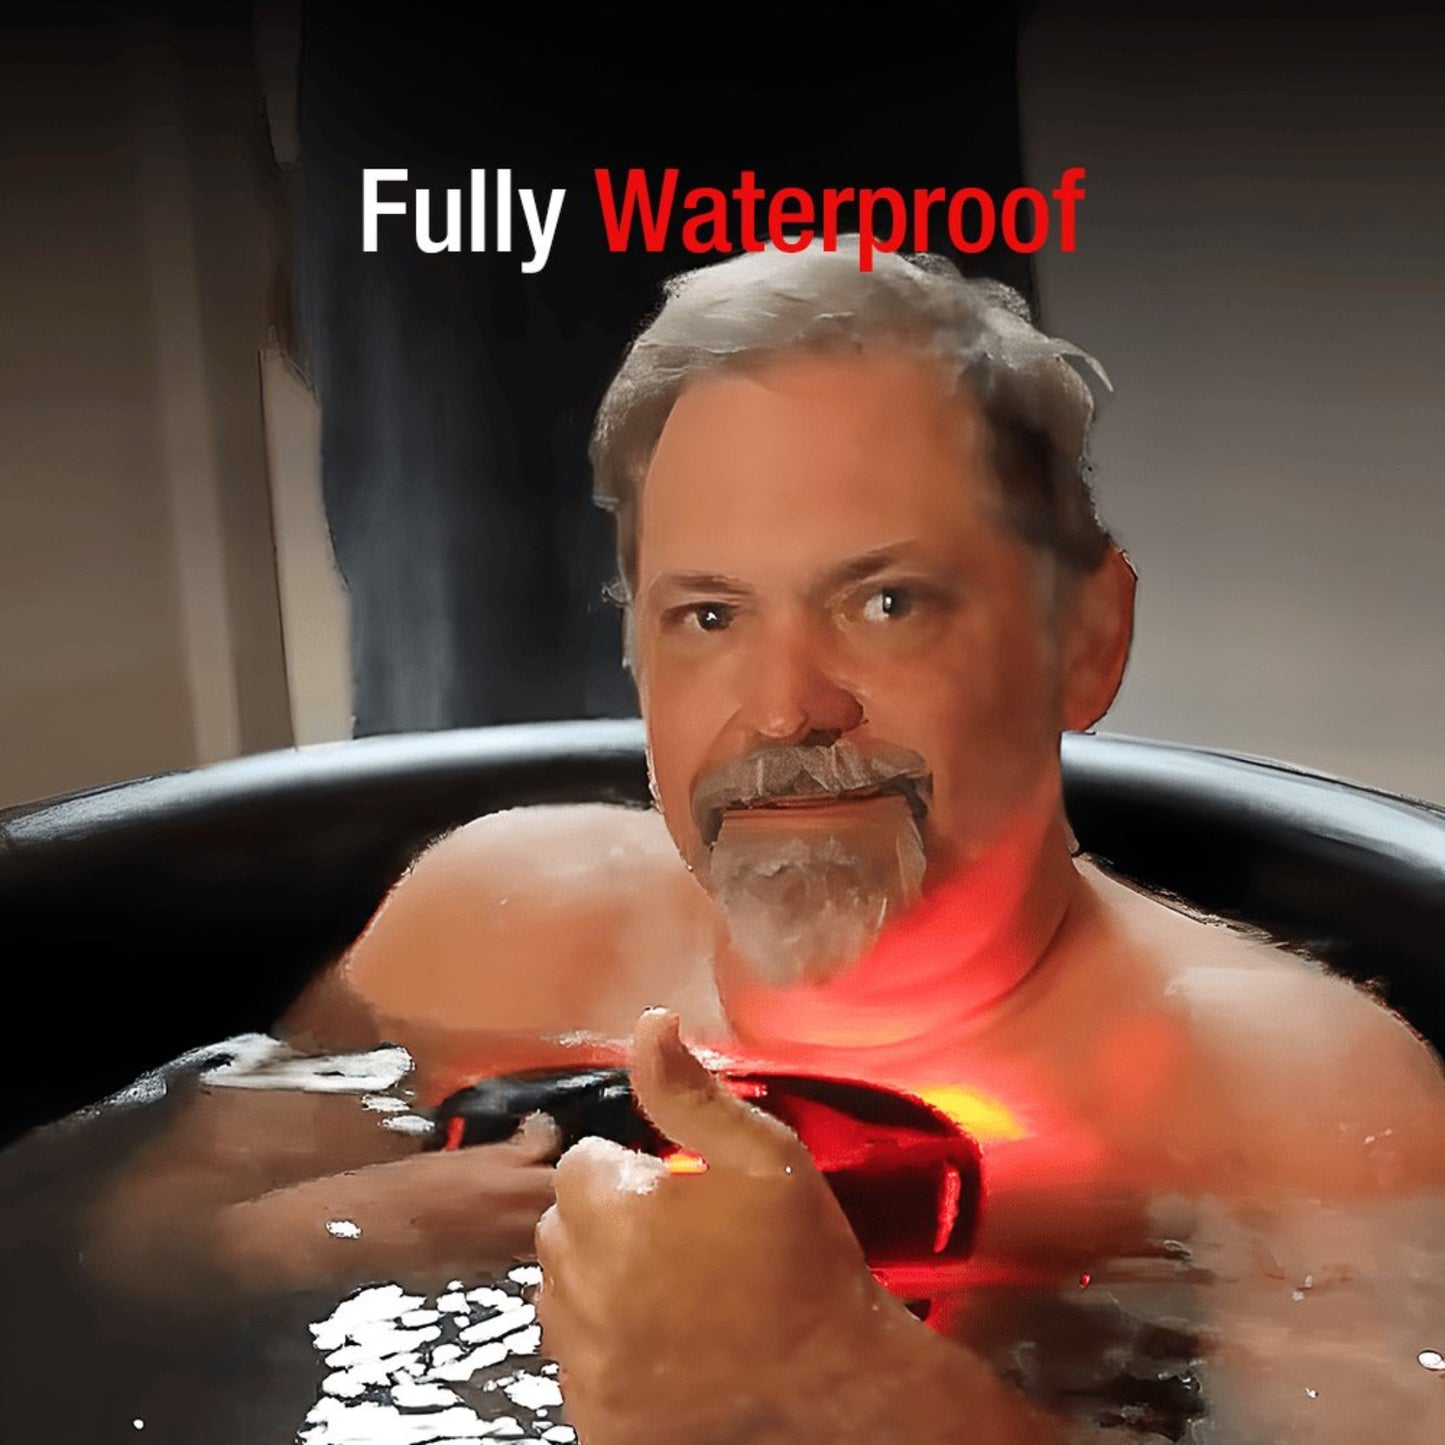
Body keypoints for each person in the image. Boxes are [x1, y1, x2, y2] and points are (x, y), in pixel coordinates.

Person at [88, 241, 1445, 1442]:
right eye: (708, 617)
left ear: (1081, 637)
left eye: (886, 600)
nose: (787, 706)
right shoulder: (493, 920)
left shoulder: (1288, 1102)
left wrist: (860, 1392)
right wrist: (324, 1235)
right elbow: (102, 1253)